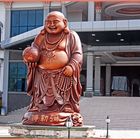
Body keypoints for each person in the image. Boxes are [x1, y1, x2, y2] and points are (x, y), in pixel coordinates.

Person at [22, 11, 83, 126]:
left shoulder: (71, 35)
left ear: (64, 22)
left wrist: (72, 65)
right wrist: (29, 58)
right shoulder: (40, 37)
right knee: (40, 97)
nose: (51, 25)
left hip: (63, 75)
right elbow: (33, 51)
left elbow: (77, 54)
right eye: (48, 22)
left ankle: (66, 107)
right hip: (42, 75)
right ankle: (38, 106)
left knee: (64, 96)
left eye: (55, 22)